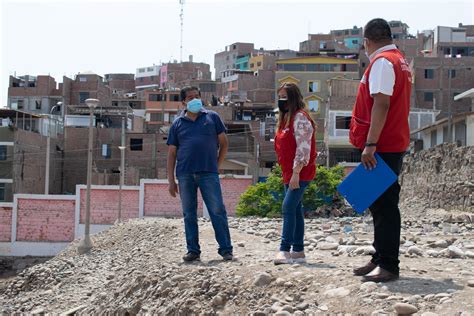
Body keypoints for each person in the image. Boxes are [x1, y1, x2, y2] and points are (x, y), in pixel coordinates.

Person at [350, 18, 412, 282]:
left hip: (383, 144)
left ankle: (388, 265)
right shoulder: (398, 60)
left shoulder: (383, 62)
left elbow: (382, 104)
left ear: (367, 40)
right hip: (389, 141)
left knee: (385, 205)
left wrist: (371, 144)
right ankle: (379, 257)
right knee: (374, 201)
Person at [167, 86, 233, 262]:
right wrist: (170, 181)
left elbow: (224, 143)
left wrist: (217, 165)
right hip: (185, 174)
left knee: (217, 210)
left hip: (208, 172)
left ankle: (226, 249)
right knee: (189, 213)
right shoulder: (177, 124)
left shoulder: (212, 117)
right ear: (183, 102)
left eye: (197, 96)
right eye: (190, 97)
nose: (195, 99)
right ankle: (193, 250)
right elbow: (172, 153)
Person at [273, 82, 317, 265]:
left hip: (300, 172)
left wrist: (296, 173)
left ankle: (285, 249)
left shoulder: (300, 118)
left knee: (288, 207)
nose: (281, 100)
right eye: (279, 96)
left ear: (293, 98)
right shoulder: (285, 119)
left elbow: (304, 148)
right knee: (296, 210)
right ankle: (298, 250)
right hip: (288, 171)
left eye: (285, 96)